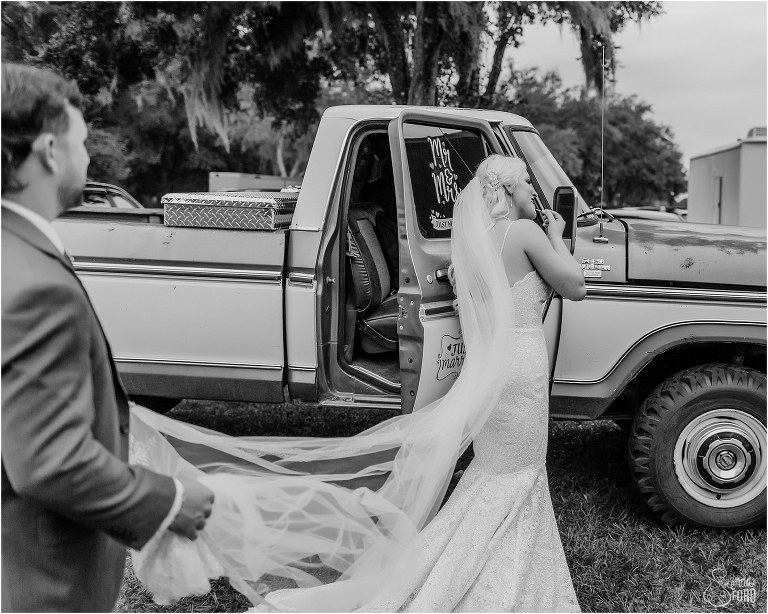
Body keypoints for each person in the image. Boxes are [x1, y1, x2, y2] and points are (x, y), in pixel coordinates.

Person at [126, 153, 586, 612]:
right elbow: (575, 286)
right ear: (505, 190)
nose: (533, 192)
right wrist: (558, 235)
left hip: (491, 372)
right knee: (519, 475)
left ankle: (482, 565)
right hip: (521, 372)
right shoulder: (527, 233)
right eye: (527, 183)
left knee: (497, 474)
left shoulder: (472, 246)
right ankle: (500, 576)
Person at [1, 62, 215, 612]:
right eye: (82, 139)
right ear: (49, 150)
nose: (90, 155)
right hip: (39, 582)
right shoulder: (35, 288)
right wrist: (168, 503)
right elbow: (49, 460)